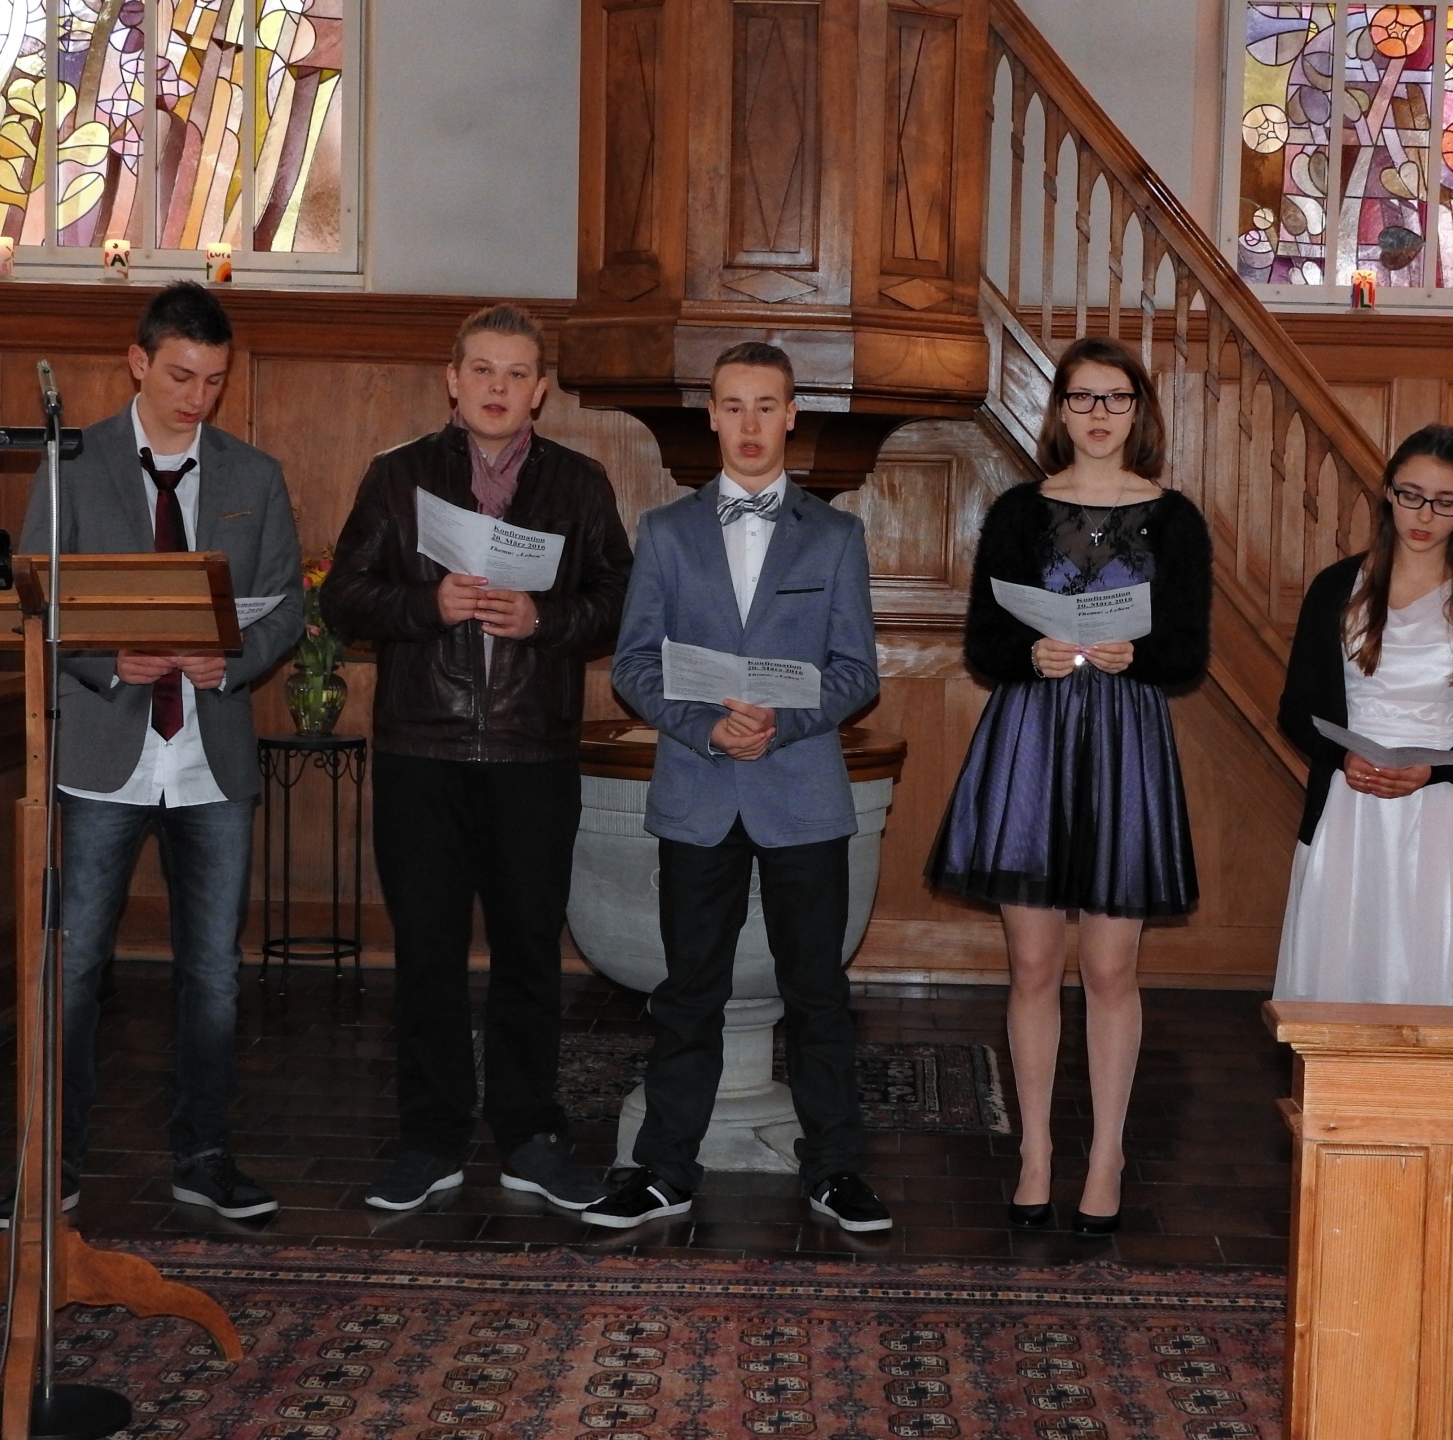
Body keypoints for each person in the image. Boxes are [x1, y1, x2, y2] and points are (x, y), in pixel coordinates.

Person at [3, 281, 305, 1225]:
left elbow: (286, 604)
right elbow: (37, 597)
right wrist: (104, 660)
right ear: (138, 362)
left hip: (211, 753)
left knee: (213, 971)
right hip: (104, 749)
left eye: (214, 381)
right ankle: (52, 1166)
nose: (196, 397)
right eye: (180, 376)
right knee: (74, 964)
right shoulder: (73, 462)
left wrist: (233, 661)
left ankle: (203, 1157)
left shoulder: (255, 476)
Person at [321, 304, 633, 1214]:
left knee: (530, 950)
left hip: (534, 752)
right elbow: (343, 599)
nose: (499, 387)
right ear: (453, 380)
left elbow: (621, 602)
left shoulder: (579, 483)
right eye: (483, 370)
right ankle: (431, 1140)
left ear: (540, 390)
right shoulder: (397, 476)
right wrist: (428, 605)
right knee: (427, 952)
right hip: (422, 749)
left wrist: (545, 618)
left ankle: (532, 1136)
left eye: (517, 373)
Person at [585, 341, 891, 1232]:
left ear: (791, 416)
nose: (749, 424)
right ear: (711, 416)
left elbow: (857, 671)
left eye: (766, 406)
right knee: (688, 993)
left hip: (801, 792)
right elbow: (635, 665)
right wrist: (704, 726)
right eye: (733, 406)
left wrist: (782, 723)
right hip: (700, 786)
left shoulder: (835, 536)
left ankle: (835, 1169)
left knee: (818, 993)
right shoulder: (666, 532)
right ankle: (663, 1171)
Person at [928, 335, 1209, 1235]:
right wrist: (1032, 653)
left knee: (1111, 967)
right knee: (1034, 965)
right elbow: (984, 642)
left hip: (1126, 743)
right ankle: (1037, 1151)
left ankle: (1108, 1154)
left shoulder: (1175, 519)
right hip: (1033, 742)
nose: (1098, 414)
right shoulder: (1019, 510)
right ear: (1059, 411)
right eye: (1082, 397)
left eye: (1115, 398)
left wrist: (1137, 656)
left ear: (1139, 411)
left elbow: (1188, 654)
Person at [1273, 423, 1453, 1006]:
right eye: (1411, 495)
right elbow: (1295, 708)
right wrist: (1340, 755)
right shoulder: (1337, 588)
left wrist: (1435, 769)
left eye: (1446, 502)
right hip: (1347, 807)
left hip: (1440, 813)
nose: (1425, 515)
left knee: (1427, 972)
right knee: (1337, 965)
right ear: (1388, 492)